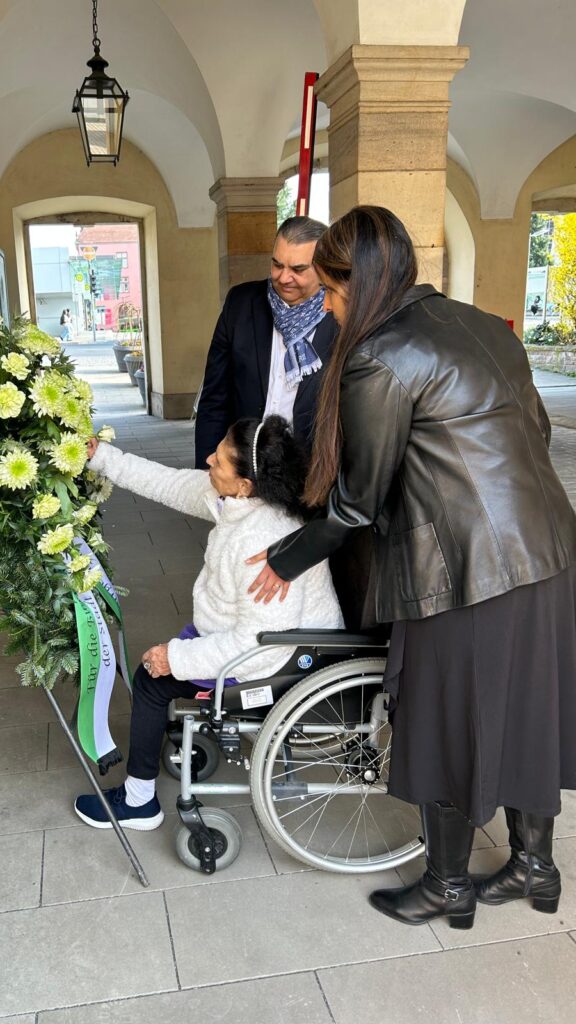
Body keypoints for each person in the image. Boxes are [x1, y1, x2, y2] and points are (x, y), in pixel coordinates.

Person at [247, 205, 576, 929]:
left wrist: (284, 558)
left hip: (467, 569)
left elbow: (357, 503)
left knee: (446, 717)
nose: (327, 308)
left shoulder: (380, 355)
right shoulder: (485, 325)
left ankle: (449, 886)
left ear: (358, 282)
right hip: (550, 549)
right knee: (528, 710)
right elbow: (539, 429)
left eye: (331, 292)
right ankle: (536, 867)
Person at [73, 415, 343, 830]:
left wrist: (176, 658)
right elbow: (167, 482)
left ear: (245, 484)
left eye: (219, 460)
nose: (208, 461)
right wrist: (101, 457)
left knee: (151, 680)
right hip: (250, 637)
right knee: (162, 667)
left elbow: (259, 646)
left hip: (279, 661)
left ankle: (139, 802)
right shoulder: (242, 501)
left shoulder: (260, 541)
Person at [194, 216, 337, 469]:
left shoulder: (340, 316)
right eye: (277, 264)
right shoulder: (240, 304)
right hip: (244, 470)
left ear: (323, 268)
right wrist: (207, 471)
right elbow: (214, 399)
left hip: (310, 473)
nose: (283, 277)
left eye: (298, 269)